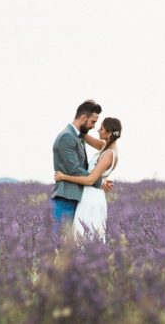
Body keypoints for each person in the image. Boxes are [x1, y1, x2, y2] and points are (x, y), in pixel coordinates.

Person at [55, 116, 122, 241]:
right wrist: (83, 119)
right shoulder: (105, 146)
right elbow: (83, 136)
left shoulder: (108, 154)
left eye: (101, 129)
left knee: (85, 237)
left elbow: (90, 180)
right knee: (84, 236)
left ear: (108, 133)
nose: (97, 130)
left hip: (91, 199)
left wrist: (64, 176)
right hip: (92, 195)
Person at [51, 100, 108, 238]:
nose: (94, 126)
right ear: (83, 118)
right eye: (93, 122)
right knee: (58, 243)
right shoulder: (67, 137)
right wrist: (99, 182)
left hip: (74, 197)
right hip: (66, 198)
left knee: (70, 244)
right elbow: (74, 170)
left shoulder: (76, 135)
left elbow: (103, 146)